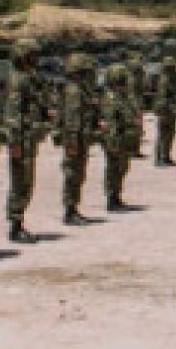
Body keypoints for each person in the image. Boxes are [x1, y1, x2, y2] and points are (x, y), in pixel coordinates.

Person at [2, 38, 49, 243]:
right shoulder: (17, 79)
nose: (36, 58)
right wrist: (14, 141)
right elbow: (12, 112)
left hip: (28, 137)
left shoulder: (28, 76)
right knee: (20, 181)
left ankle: (18, 222)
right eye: (32, 55)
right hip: (21, 138)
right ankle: (15, 225)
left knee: (26, 181)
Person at [59, 54, 100, 224]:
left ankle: (73, 208)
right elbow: (72, 119)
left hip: (80, 138)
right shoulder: (74, 91)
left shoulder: (80, 89)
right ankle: (70, 211)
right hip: (75, 139)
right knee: (73, 174)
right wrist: (72, 142)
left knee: (77, 174)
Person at [99, 64, 141, 212]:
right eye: (121, 80)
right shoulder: (111, 98)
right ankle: (112, 199)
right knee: (114, 169)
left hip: (124, 140)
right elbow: (110, 122)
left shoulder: (123, 97)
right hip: (115, 140)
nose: (124, 82)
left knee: (121, 168)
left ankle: (116, 197)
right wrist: (112, 142)